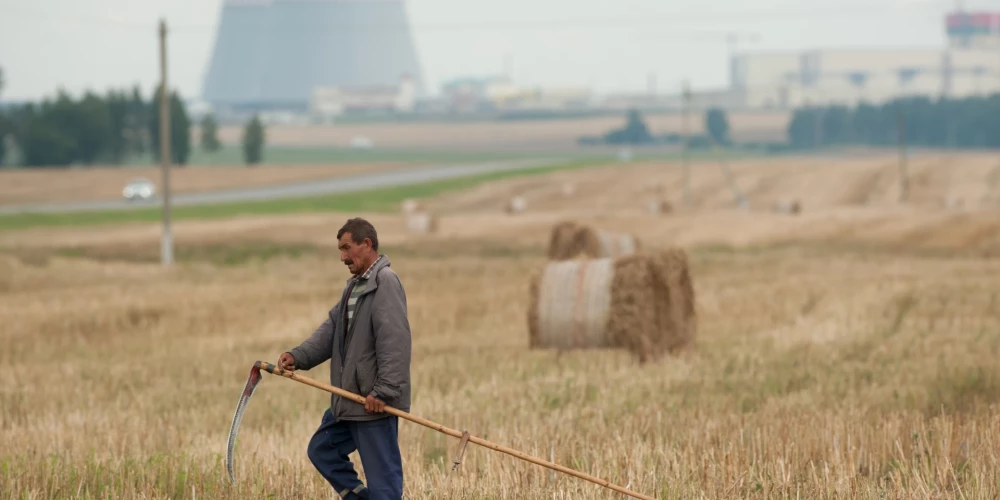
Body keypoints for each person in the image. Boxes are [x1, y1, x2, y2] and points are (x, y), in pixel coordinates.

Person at [278, 217, 411, 500]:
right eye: (340, 250)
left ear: (367, 244)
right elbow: (330, 331)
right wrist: (297, 356)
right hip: (348, 401)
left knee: (385, 486)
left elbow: (395, 342)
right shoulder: (354, 286)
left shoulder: (385, 282)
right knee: (322, 450)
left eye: (347, 248)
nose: (342, 257)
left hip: (372, 405)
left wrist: (384, 392)